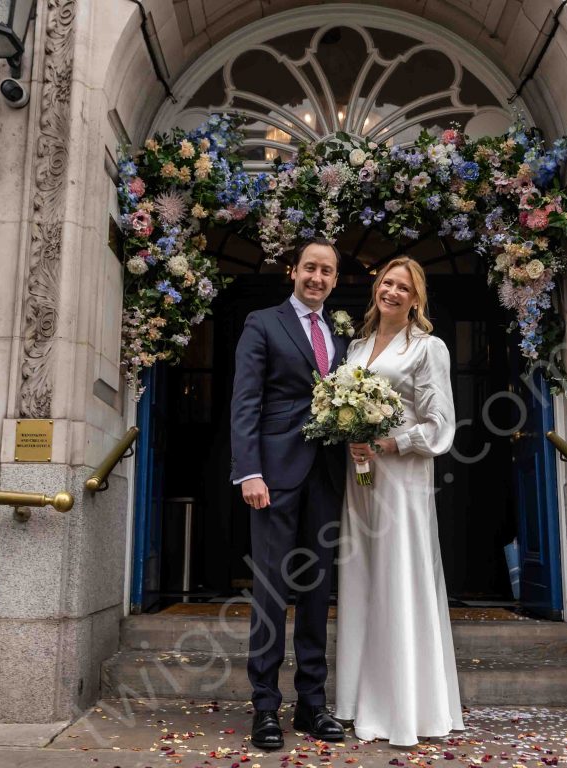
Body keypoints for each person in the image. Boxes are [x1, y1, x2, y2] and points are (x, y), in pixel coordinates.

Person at [334, 256, 464, 746]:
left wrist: (392, 443)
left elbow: (440, 424)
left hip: (402, 478)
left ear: (416, 298)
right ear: (377, 288)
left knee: (400, 576)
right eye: (386, 283)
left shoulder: (428, 348)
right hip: (361, 475)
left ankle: (406, 707)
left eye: (403, 287)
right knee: (364, 574)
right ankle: (357, 699)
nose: (392, 291)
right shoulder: (356, 346)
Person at [230, 239, 350, 750]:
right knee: (272, 592)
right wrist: (249, 472)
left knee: (318, 593)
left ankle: (311, 705)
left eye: (326, 271)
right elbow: (246, 402)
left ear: (334, 279)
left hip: (326, 475)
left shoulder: (339, 333)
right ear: (293, 271)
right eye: (309, 268)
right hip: (274, 477)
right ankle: (264, 707)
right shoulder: (263, 322)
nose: (317, 278)